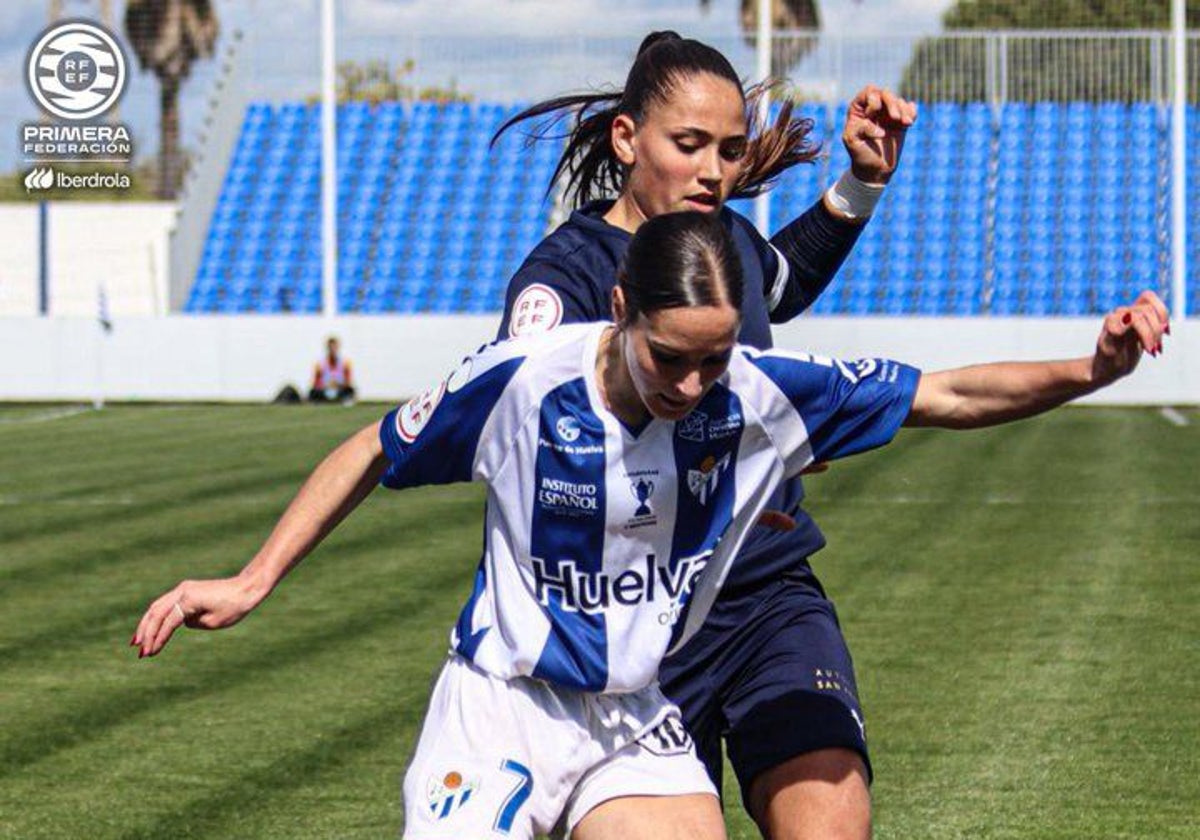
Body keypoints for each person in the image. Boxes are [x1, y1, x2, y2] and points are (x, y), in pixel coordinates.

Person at [133, 213, 1167, 840]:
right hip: (502, 705)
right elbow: (371, 446)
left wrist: (1092, 369)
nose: (691, 382)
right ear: (621, 308)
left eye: (712, 359)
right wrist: (254, 577)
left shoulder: (754, 394)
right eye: (670, 355)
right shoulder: (519, 385)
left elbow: (947, 395)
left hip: (635, 718)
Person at [492, 31, 917, 839]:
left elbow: (780, 279)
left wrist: (862, 183)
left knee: (833, 819)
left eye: (728, 149)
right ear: (627, 138)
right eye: (690, 146)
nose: (716, 171)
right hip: (634, 627)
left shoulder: (721, 246)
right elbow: (533, 454)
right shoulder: (563, 282)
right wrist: (725, 465)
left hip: (766, 598)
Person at [309, 336, 356, 404]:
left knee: (350, 390)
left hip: (339, 390)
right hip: (324, 390)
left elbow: (348, 381)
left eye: (334, 347)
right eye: (330, 347)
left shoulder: (345, 363)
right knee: (313, 391)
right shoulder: (320, 364)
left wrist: (337, 384)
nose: (332, 350)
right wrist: (326, 385)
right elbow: (316, 383)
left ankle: (345, 401)